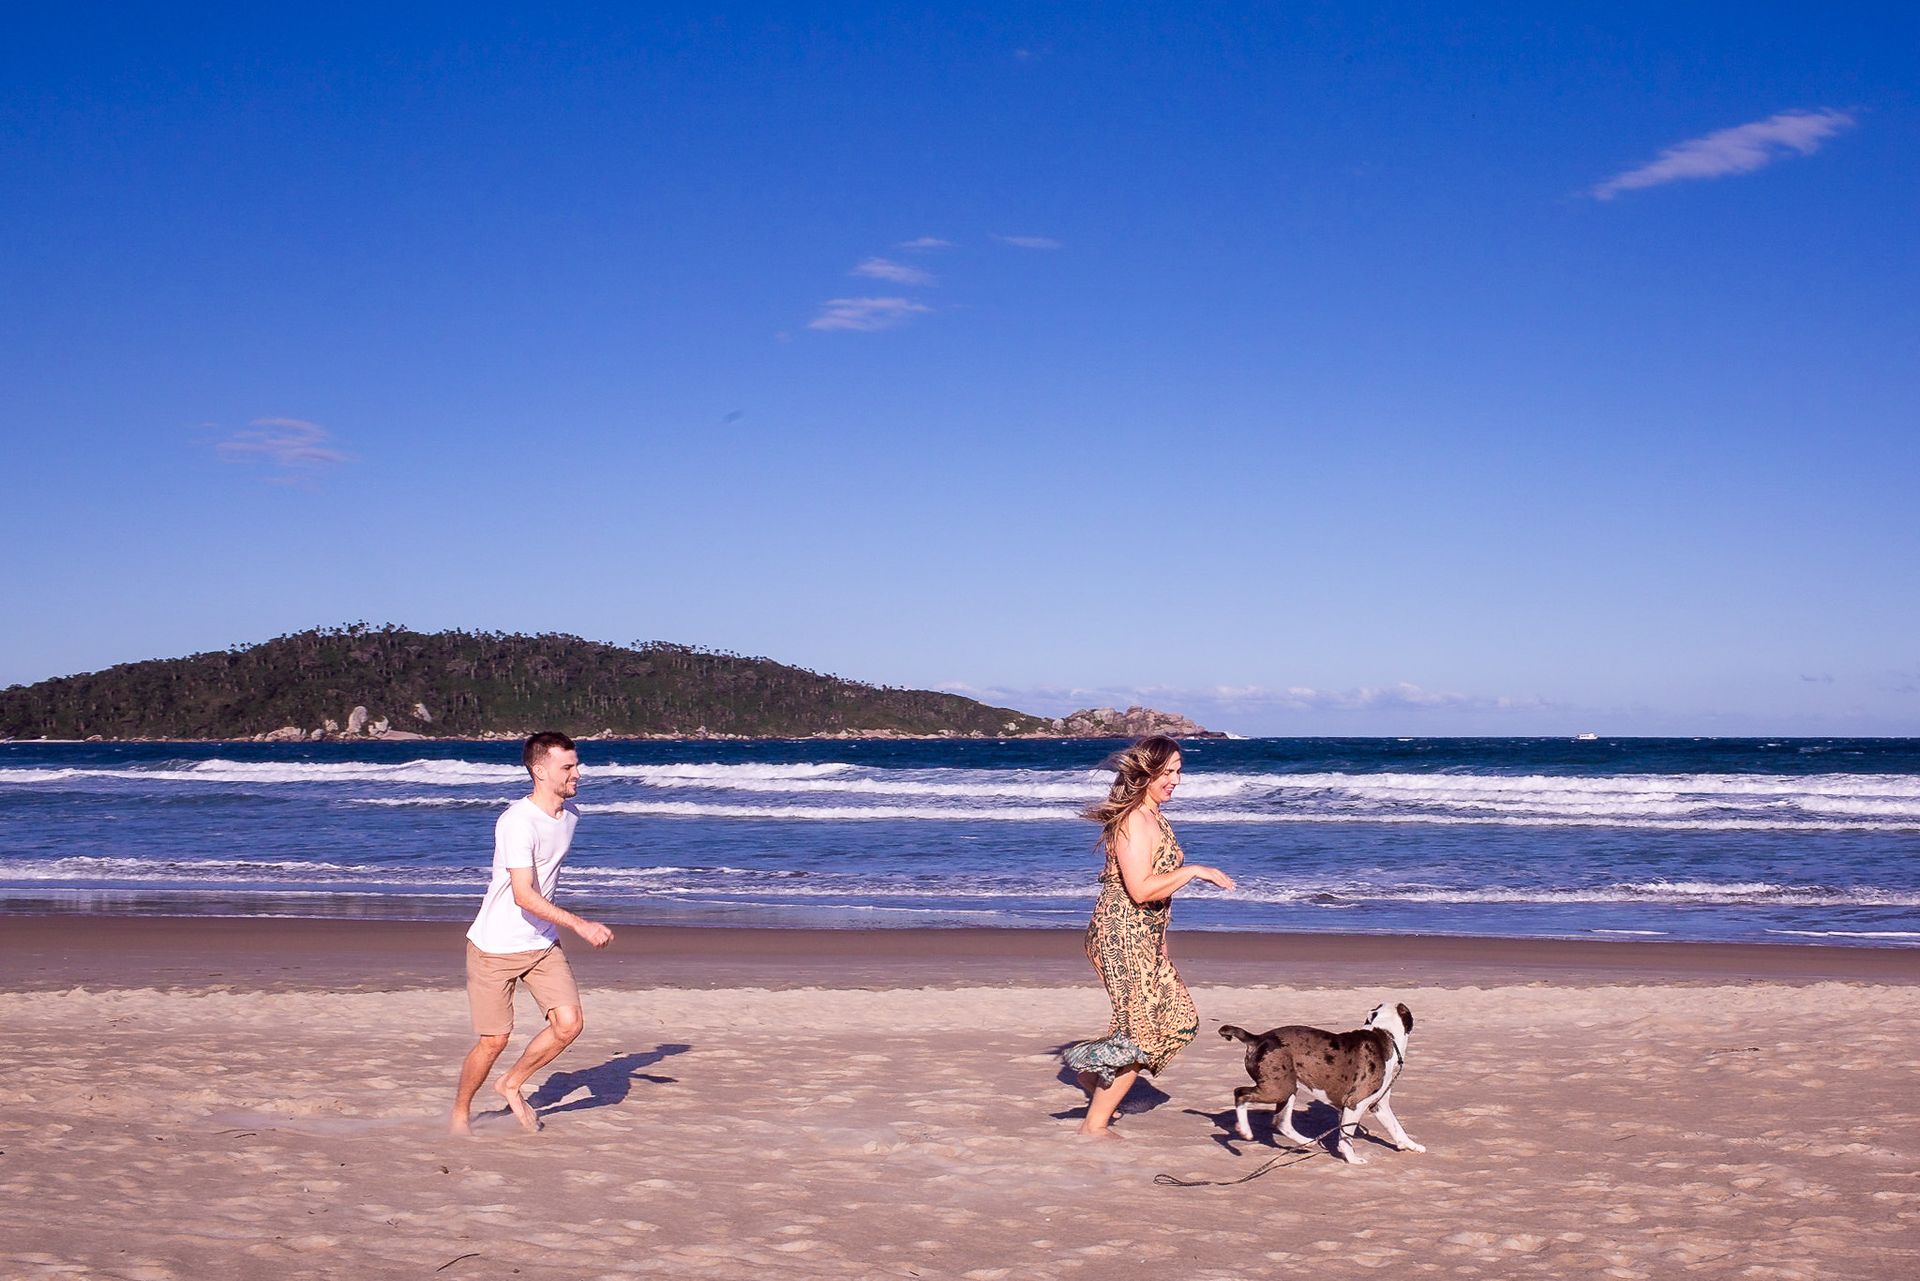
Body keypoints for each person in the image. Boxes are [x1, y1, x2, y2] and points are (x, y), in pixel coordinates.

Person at [1062, 734, 1235, 1138]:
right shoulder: (1134, 820)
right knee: (1141, 1031)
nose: (1176, 779)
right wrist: (1195, 870)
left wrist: (1160, 941)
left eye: (1179, 771)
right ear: (1146, 772)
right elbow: (1140, 889)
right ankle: (1095, 1125)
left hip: (1144, 936)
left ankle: (1090, 1071)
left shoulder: (1155, 815)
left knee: (1180, 1020)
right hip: (1119, 935)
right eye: (1168, 771)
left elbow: (1152, 896)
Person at [449, 731, 614, 1135]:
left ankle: (511, 1083)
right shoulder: (516, 822)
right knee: (494, 1041)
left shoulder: (570, 816)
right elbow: (523, 895)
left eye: (577, 764)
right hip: (494, 946)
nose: (578, 772)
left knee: (569, 1024)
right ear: (540, 771)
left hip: (540, 943)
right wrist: (580, 923)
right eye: (569, 766)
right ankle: (459, 1114)